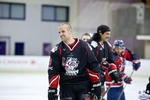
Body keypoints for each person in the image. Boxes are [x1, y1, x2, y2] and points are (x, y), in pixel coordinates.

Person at [48, 23, 102, 100]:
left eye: (63, 31)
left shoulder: (84, 46)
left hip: (84, 85)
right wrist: (52, 89)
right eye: (59, 32)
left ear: (70, 31)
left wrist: (96, 84)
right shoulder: (56, 50)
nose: (61, 34)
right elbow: (53, 71)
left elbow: (93, 66)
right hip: (66, 87)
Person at [88, 25, 120, 99]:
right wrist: (99, 66)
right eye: (107, 34)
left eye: (109, 34)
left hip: (101, 79)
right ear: (100, 33)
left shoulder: (107, 45)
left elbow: (111, 61)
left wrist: (113, 72)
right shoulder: (91, 44)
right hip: (89, 80)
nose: (109, 36)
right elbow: (88, 62)